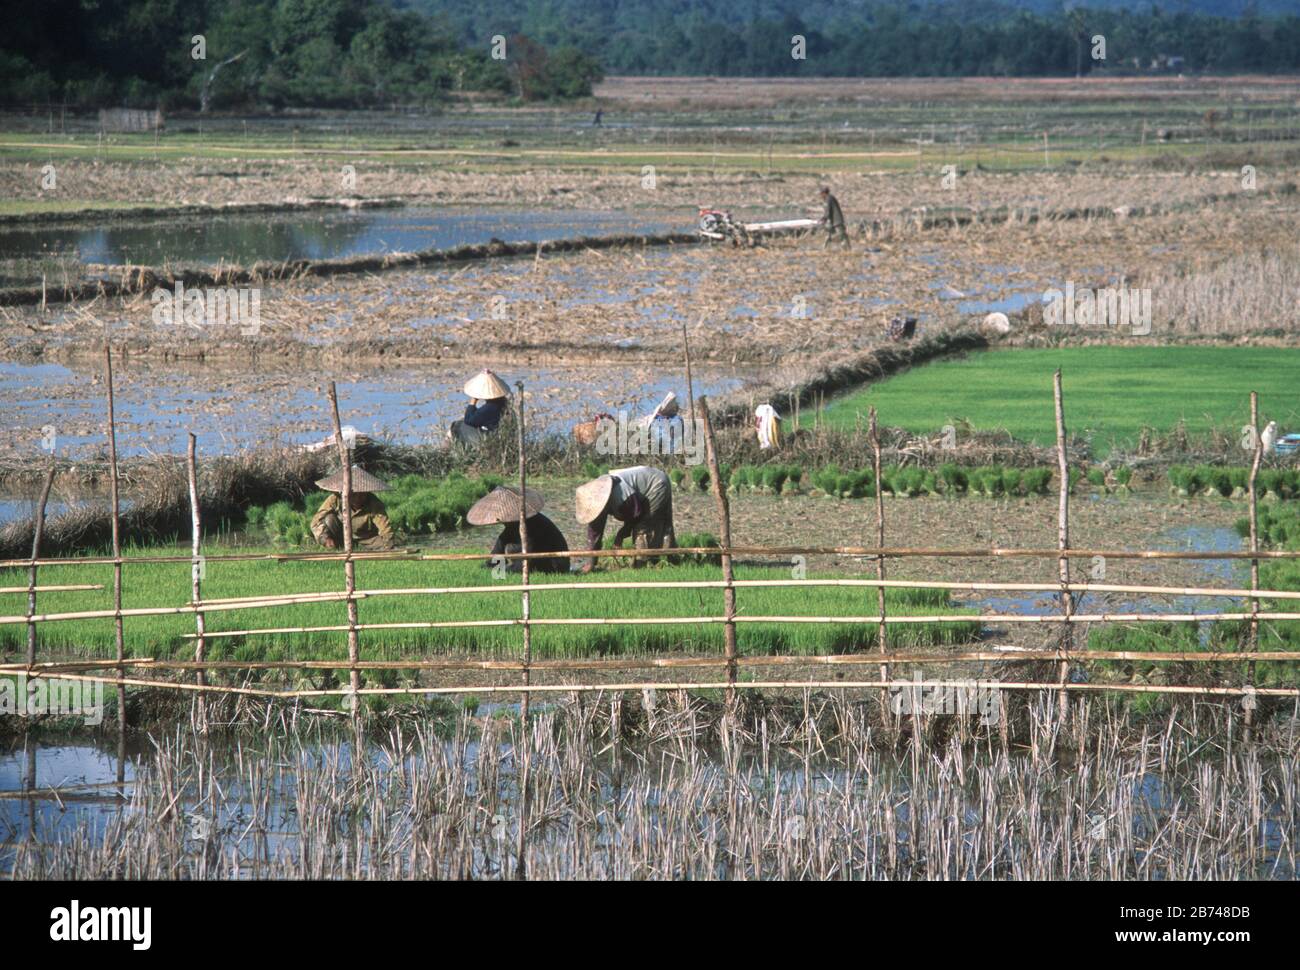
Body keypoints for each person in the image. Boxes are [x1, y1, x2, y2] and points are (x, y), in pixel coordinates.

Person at [574, 465, 676, 573]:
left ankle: (642, 565)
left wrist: (621, 535)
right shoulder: (597, 501)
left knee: (643, 528)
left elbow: (636, 515)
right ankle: (673, 559)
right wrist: (591, 562)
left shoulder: (620, 496)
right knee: (664, 523)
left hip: (655, 484)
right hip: (646, 485)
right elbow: (594, 533)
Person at [467, 485, 570, 574]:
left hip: (554, 564)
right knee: (503, 542)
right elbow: (500, 548)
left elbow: (525, 560)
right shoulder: (512, 526)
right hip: (537, 559)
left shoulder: (531, 526)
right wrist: (493, 567)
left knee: (513, 568)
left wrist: (508, 571)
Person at [310, 465, 395, 551]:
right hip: (342, 534)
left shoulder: (374, 503)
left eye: (362, 494)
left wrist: (388, 545)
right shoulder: (335, 499)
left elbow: (385, 528)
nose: (358, 498)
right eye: (354, 494)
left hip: (366, 537)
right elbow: (316, 521)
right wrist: (325, 539)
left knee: (386, 544)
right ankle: (338, 546)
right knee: (329, 519)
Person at [449, 369, 510, 445]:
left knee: (456, 425)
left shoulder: (490, 407)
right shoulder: (503, 403)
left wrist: (472, 402)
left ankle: (445, 451)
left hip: (490, 441)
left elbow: (469, 421)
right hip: (500, 438)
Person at [818, 185, 850, 250]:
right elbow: (828, 212)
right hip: (832, 221)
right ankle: (826, 249)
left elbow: (827, 212)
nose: (820, 196)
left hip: (837, 221)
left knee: (842, 236)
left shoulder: (828, 199)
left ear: (824, 193)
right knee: (829, 235)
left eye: (821, 194)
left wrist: (824, 219)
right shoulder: (830, 198)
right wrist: (824, 218)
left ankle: (847, 250)